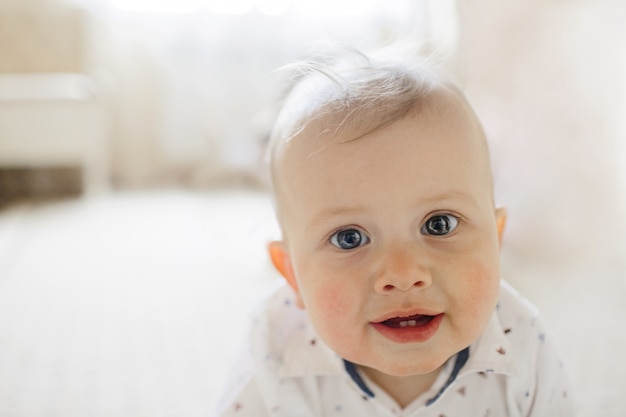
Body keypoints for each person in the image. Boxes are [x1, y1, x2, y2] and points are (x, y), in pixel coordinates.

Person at [214, 45, 573, 416]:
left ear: (495, 241)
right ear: (292, 273)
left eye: (439, 224)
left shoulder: (521, 338)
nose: (403, 275)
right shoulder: (276, 342)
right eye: (348, 238)